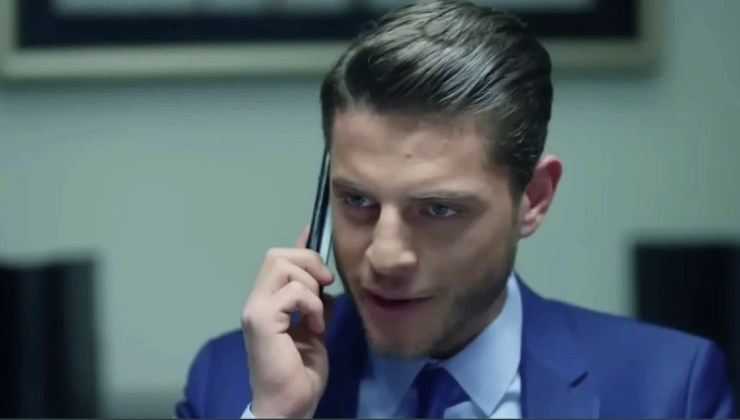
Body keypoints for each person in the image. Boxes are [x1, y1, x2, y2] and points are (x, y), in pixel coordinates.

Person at [174, 0, 737, 418]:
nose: (385, 256)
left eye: (439, 210)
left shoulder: (670, 391)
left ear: (534, 200)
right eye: (358, 201)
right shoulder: (232, 383)